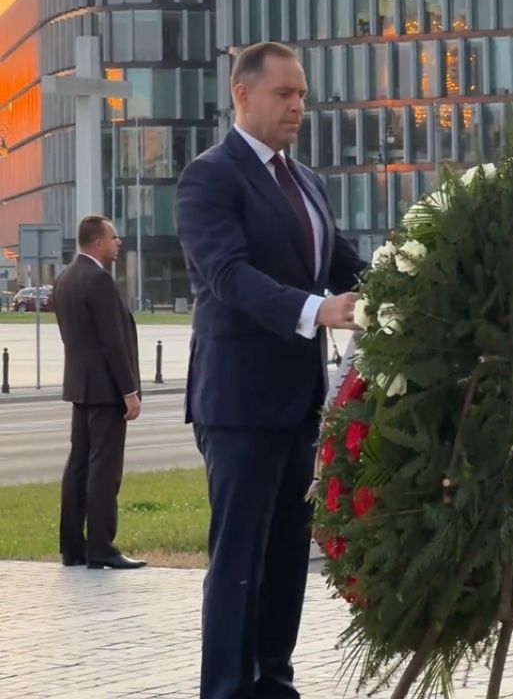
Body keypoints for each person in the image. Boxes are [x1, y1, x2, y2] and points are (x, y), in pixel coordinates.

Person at [175, 41, 366, 699]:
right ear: (242, 95)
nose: (297, 107)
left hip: (300, 404)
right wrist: (318, 311)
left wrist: (404, 286)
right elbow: (227, 276)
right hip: (239, 405)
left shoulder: (305, 180)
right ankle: (226, 689)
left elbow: (341, 261)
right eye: (284, 94)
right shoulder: (211, 177)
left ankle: (273, 684)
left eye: (303, 95)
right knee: (238, 565)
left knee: (286, 559)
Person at [53, 215, 145, 570]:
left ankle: (72, 547)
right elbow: (112, 343)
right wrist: (129, 391)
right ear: (97, 243)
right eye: (113, 237)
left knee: (78, 465)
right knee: (104, 470)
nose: (118, 242)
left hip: (79, 385)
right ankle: (102, 548)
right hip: (106, 390)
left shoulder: (66, 278)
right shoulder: (98, 280)